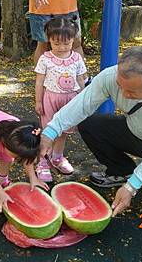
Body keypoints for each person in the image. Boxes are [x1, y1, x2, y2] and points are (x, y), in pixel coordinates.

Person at [39, 47, 142, 219]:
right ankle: (121, 170)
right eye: (120, 86)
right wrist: (50, 132)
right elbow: (82, 104)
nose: (123, 94)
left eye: (132, 92)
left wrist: (131, 187)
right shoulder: (110, 76)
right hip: (138, 131)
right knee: (90, 124)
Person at [34, 16, 86, 182]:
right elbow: (40, 81)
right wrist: (38, 101)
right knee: (47, 131)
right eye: (57, 43)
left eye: (67, 43)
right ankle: (42, 161)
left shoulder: (77, 58)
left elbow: (80, 79)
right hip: (50, 99)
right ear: (49, 40)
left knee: (63, 131)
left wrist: (82, 100)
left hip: (70, 100)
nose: (62, 47)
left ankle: (57, 157)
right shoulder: (46, 58)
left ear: (73, 40)